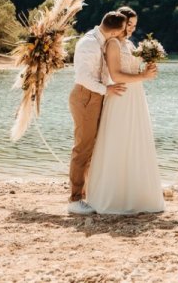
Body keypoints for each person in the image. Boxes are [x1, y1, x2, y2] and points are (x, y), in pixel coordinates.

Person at [85, 6, 165, 214]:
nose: (131, 29)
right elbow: (116, 75)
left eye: (134, 25)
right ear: (120, 23)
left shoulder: (129, 44)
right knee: (119, 143)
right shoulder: (112, 44)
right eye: (129, 24)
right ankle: (115, 197)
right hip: (120, 97)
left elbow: (132, 70)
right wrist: (142, 77)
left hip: (135, 98)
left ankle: (139, 195)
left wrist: (146, 69)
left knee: (136, 142)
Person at [67, 11, 127, 215]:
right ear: (117, 30)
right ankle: (75, 200)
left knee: (91, 149)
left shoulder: (101, 41)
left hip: (95, 96)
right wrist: (107, 90)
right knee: (82, 148)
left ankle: (86, 194)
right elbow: (83, 77)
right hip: (85, 97)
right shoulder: (89, 43)